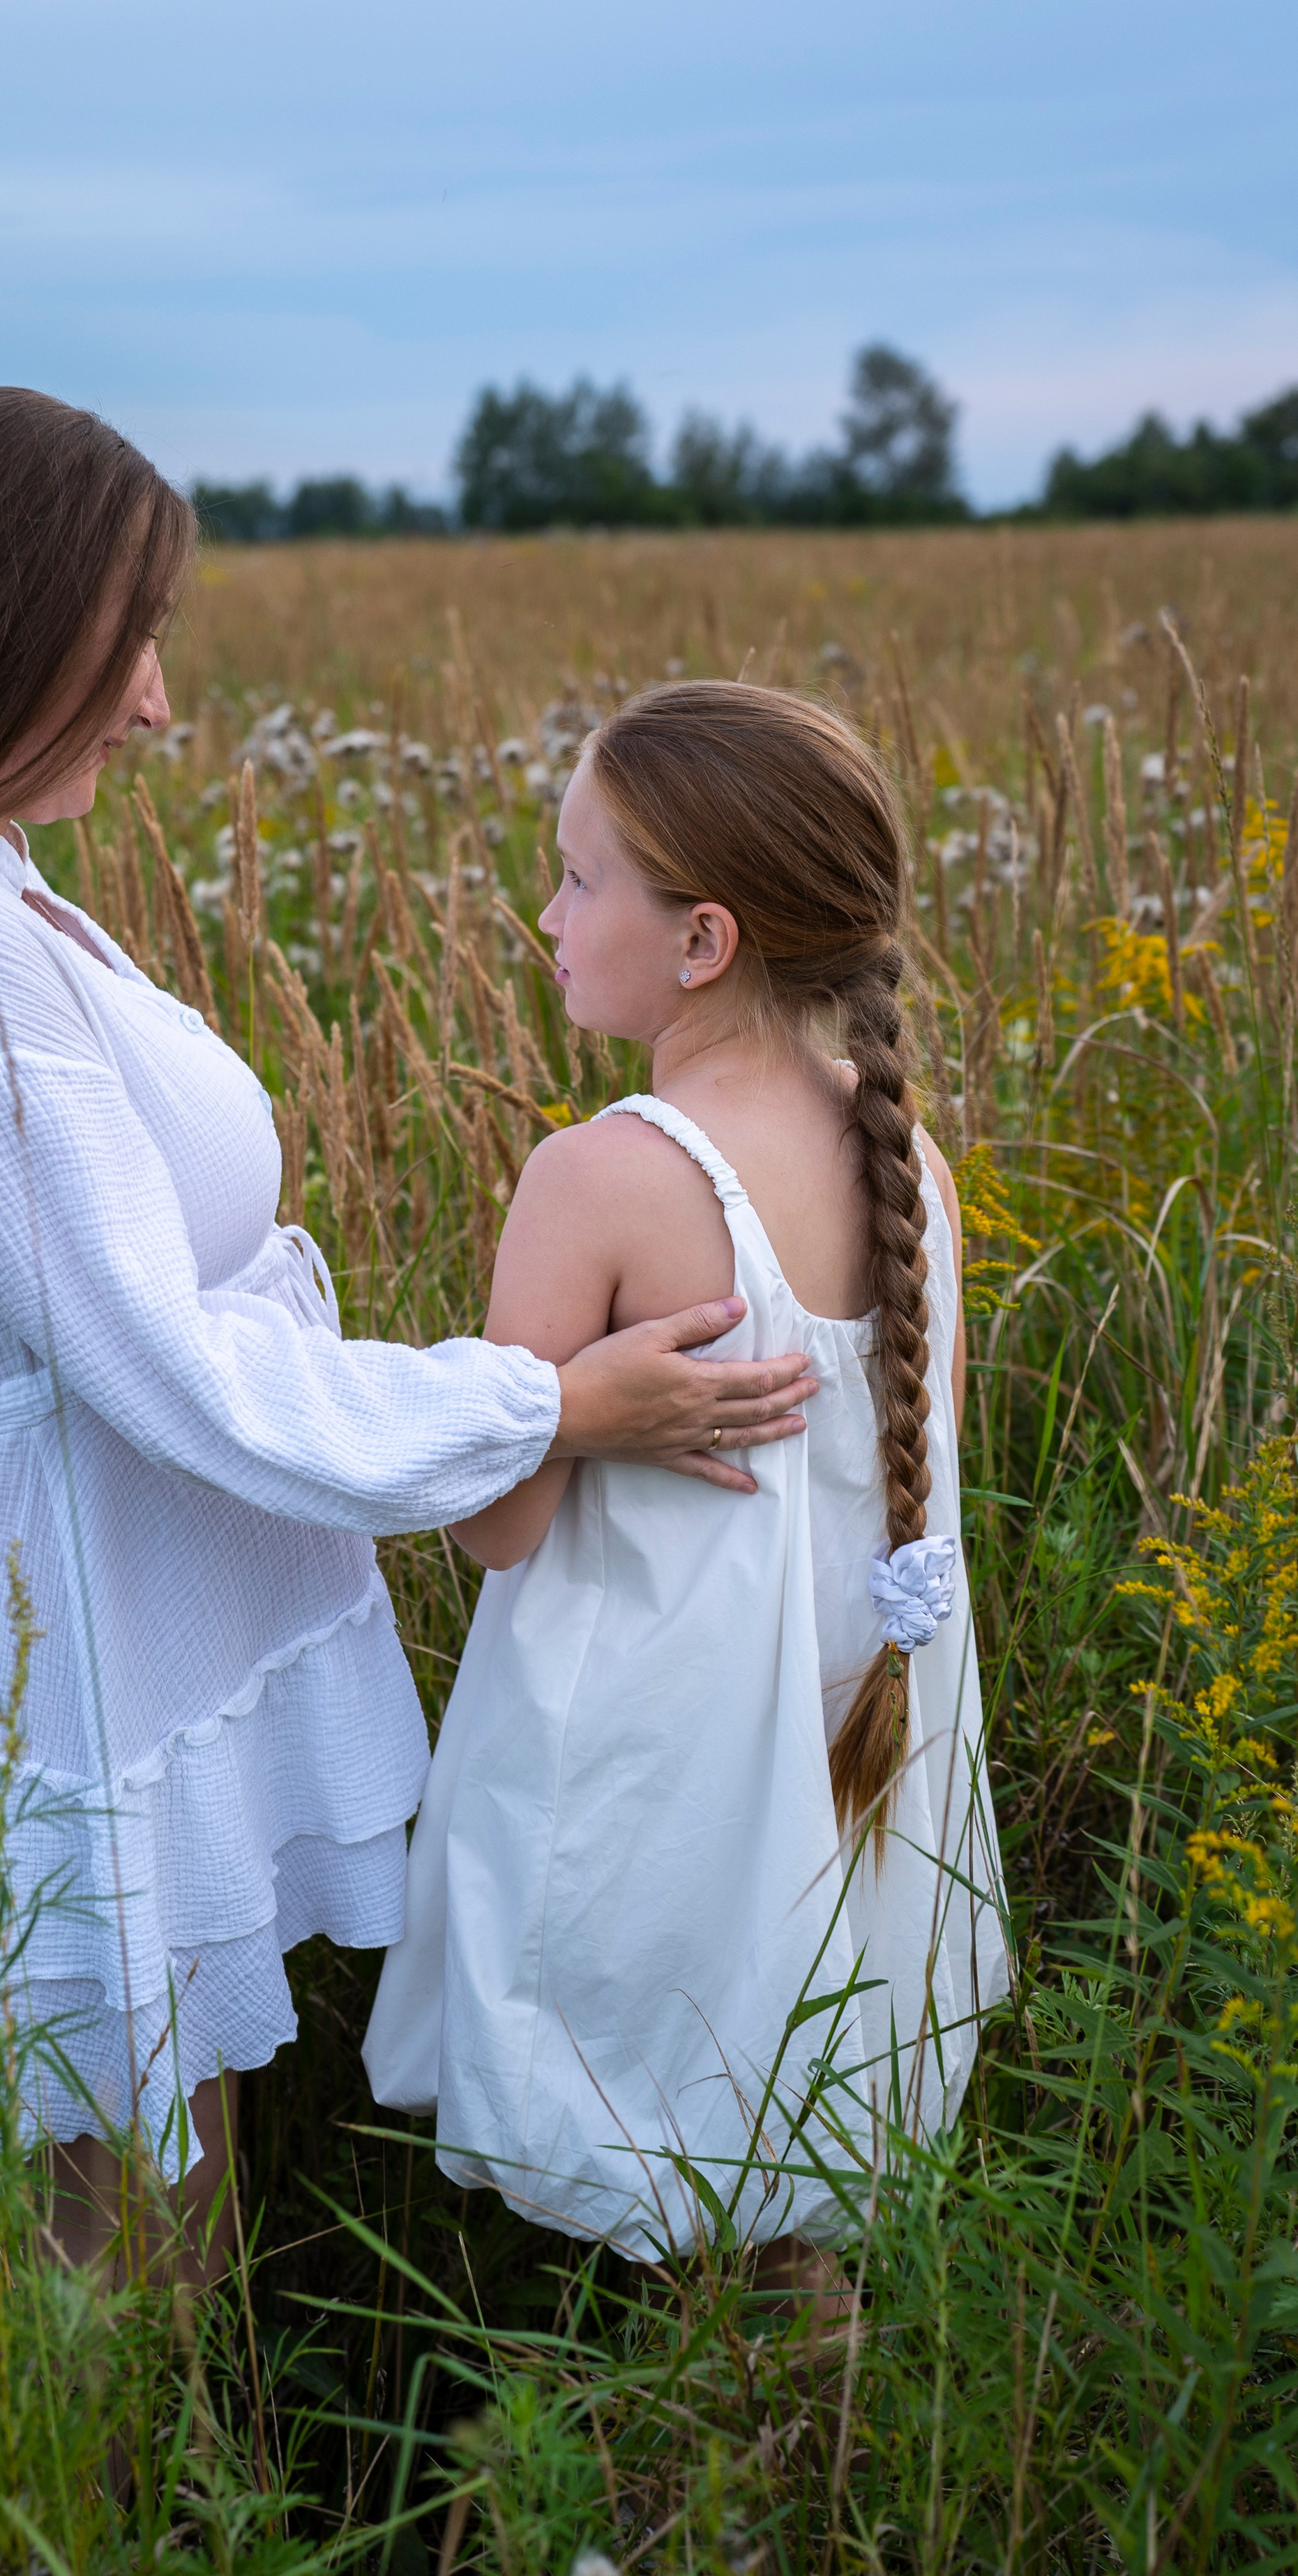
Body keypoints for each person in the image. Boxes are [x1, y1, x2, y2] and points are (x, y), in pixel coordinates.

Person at [0, 390, 819, 2278]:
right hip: (64, 1671)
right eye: (127, 642)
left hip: (95, 1637)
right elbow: (169, 1369)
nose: (155, 702)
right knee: (110, 2264)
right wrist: (543, 1404)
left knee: (147, 2217)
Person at [363, 681, 1011, 2291]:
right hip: (851, 1718)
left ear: (703, 939)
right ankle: (807, 2459)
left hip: (654, 1750)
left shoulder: (596, 1176)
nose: (544, 914)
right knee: (792, 2135)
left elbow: (494, 1522)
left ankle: (707, 2484)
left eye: (579, 878)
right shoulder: (902, 1156)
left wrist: (564, 1420)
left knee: (665, 2127)